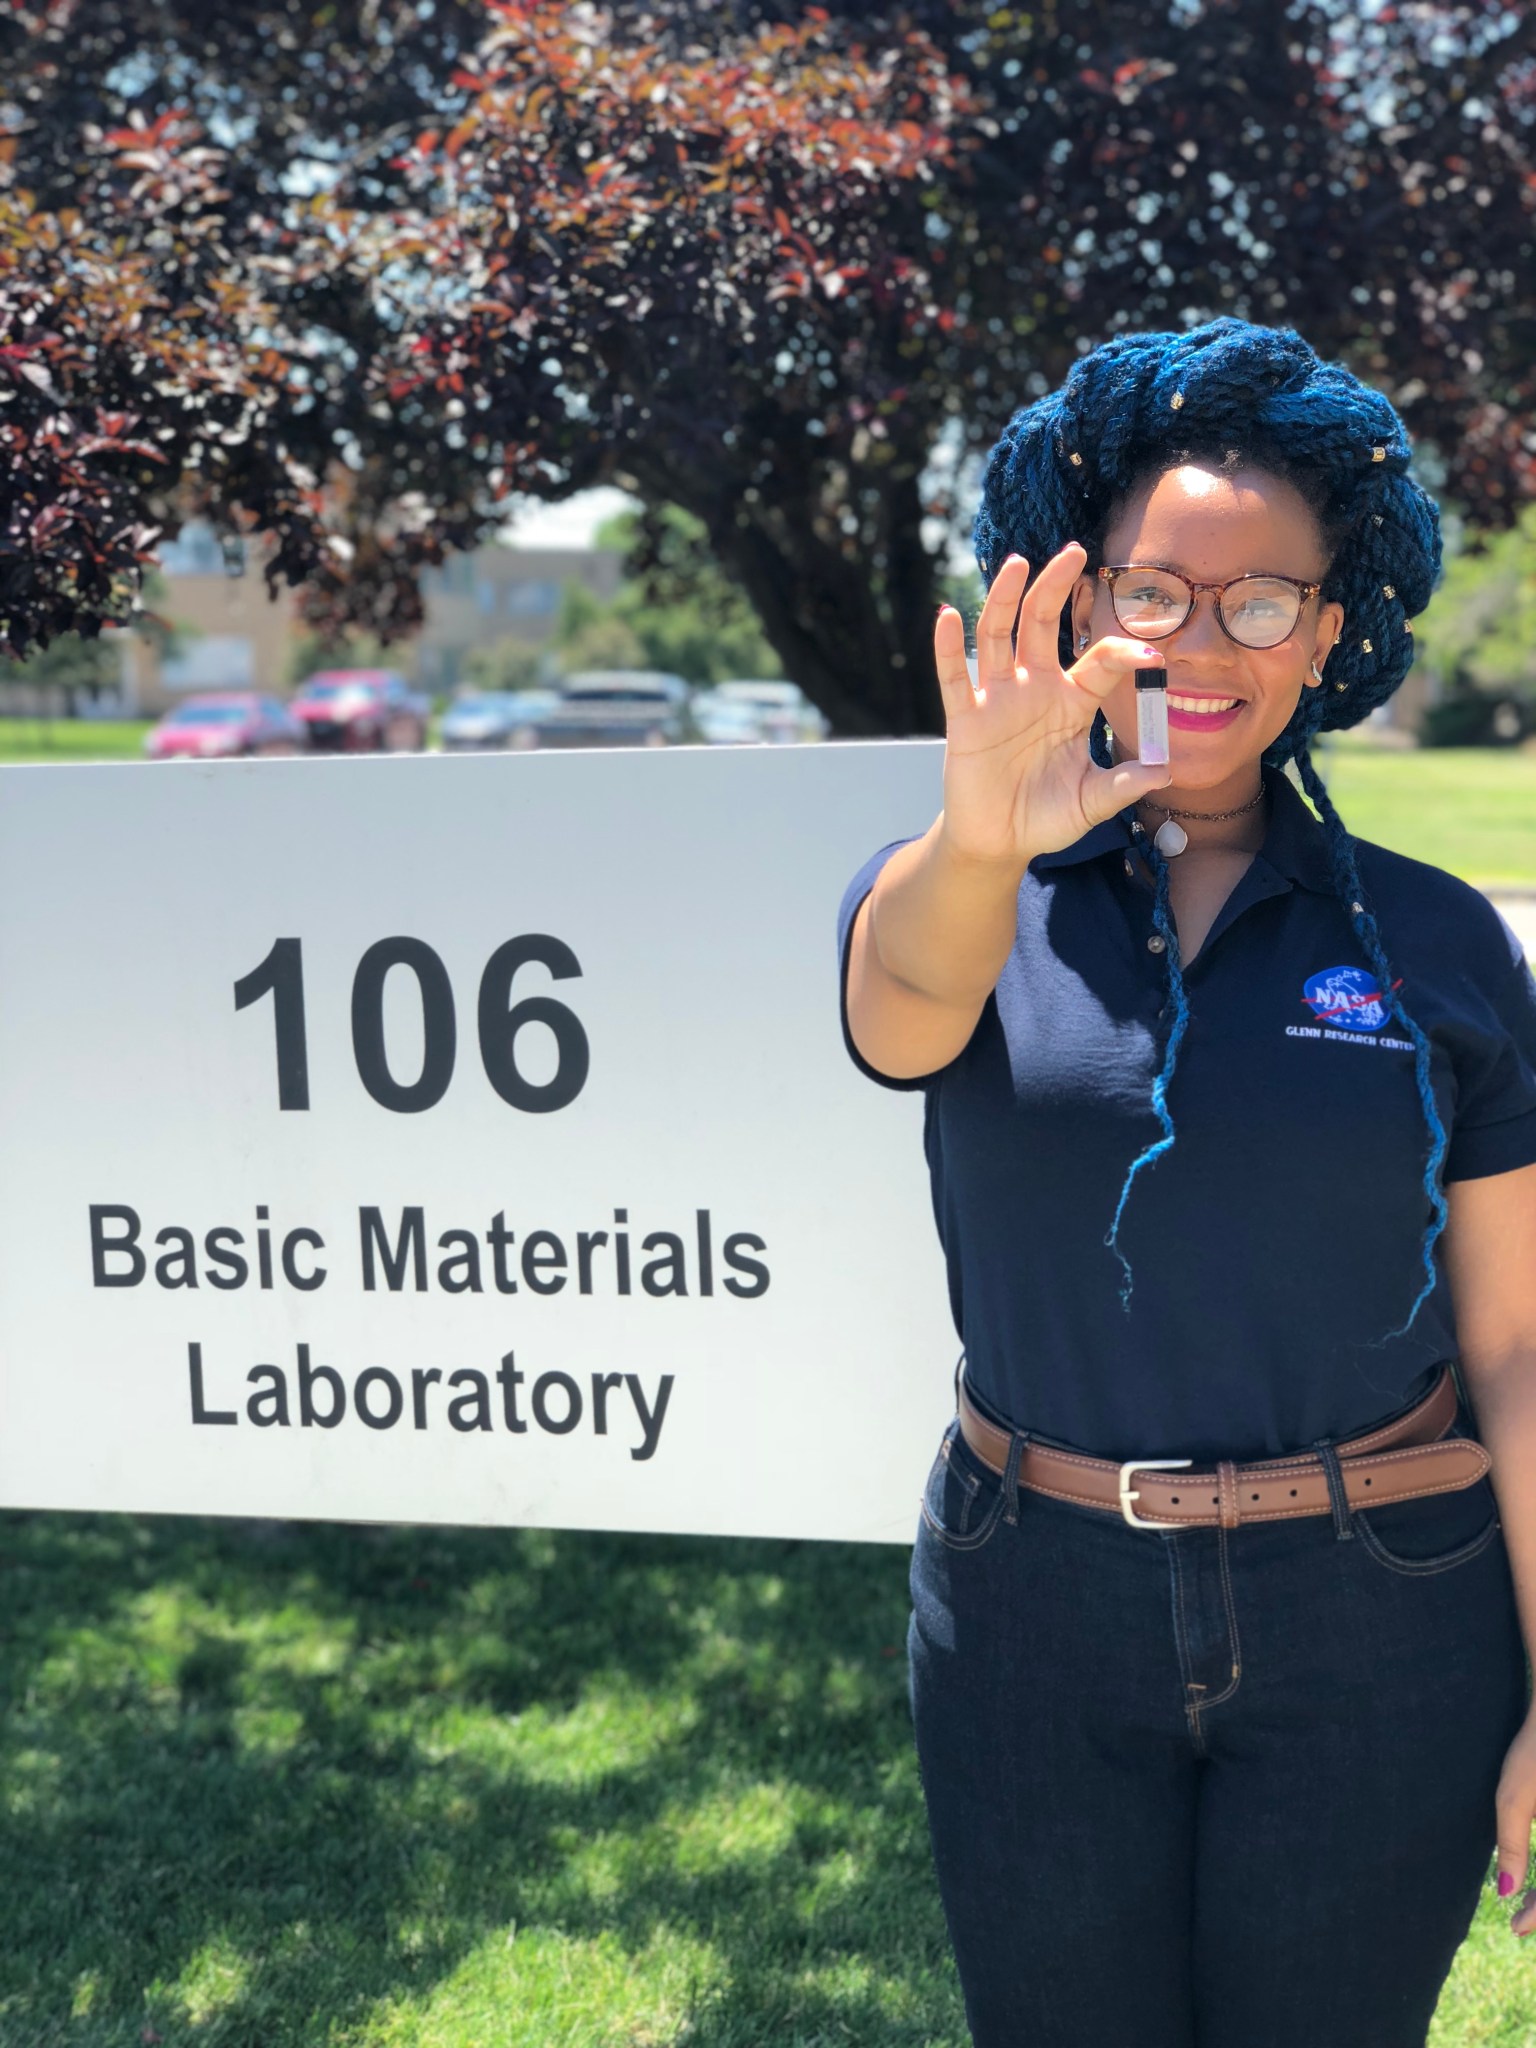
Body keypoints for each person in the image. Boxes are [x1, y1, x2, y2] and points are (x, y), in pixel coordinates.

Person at [835, 316, 1536, 2048]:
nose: (1203, 641)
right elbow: (904, 1012)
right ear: (1081, 609)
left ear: (1329, 629)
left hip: (1386, 1603)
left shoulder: (1440, 942)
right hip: (1030, 1603)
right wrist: (989, 827)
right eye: (1156, 591)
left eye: (1263, 599)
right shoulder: (966, 889)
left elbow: (1518, 1341)